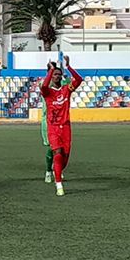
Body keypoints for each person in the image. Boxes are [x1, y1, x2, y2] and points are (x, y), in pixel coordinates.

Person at [40, 55, 82, 196]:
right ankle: (59, 185)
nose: (57, 76)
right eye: (55, 74)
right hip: (53, 127)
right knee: (57, 153)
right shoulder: (48, 92)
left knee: (64, 157)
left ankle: (56, 170)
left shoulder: (66, 89)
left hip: (66, 127)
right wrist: (51, 70)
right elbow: (44, 86)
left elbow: (79, 80)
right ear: (51, 76)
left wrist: (69, 66)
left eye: (59, 74)